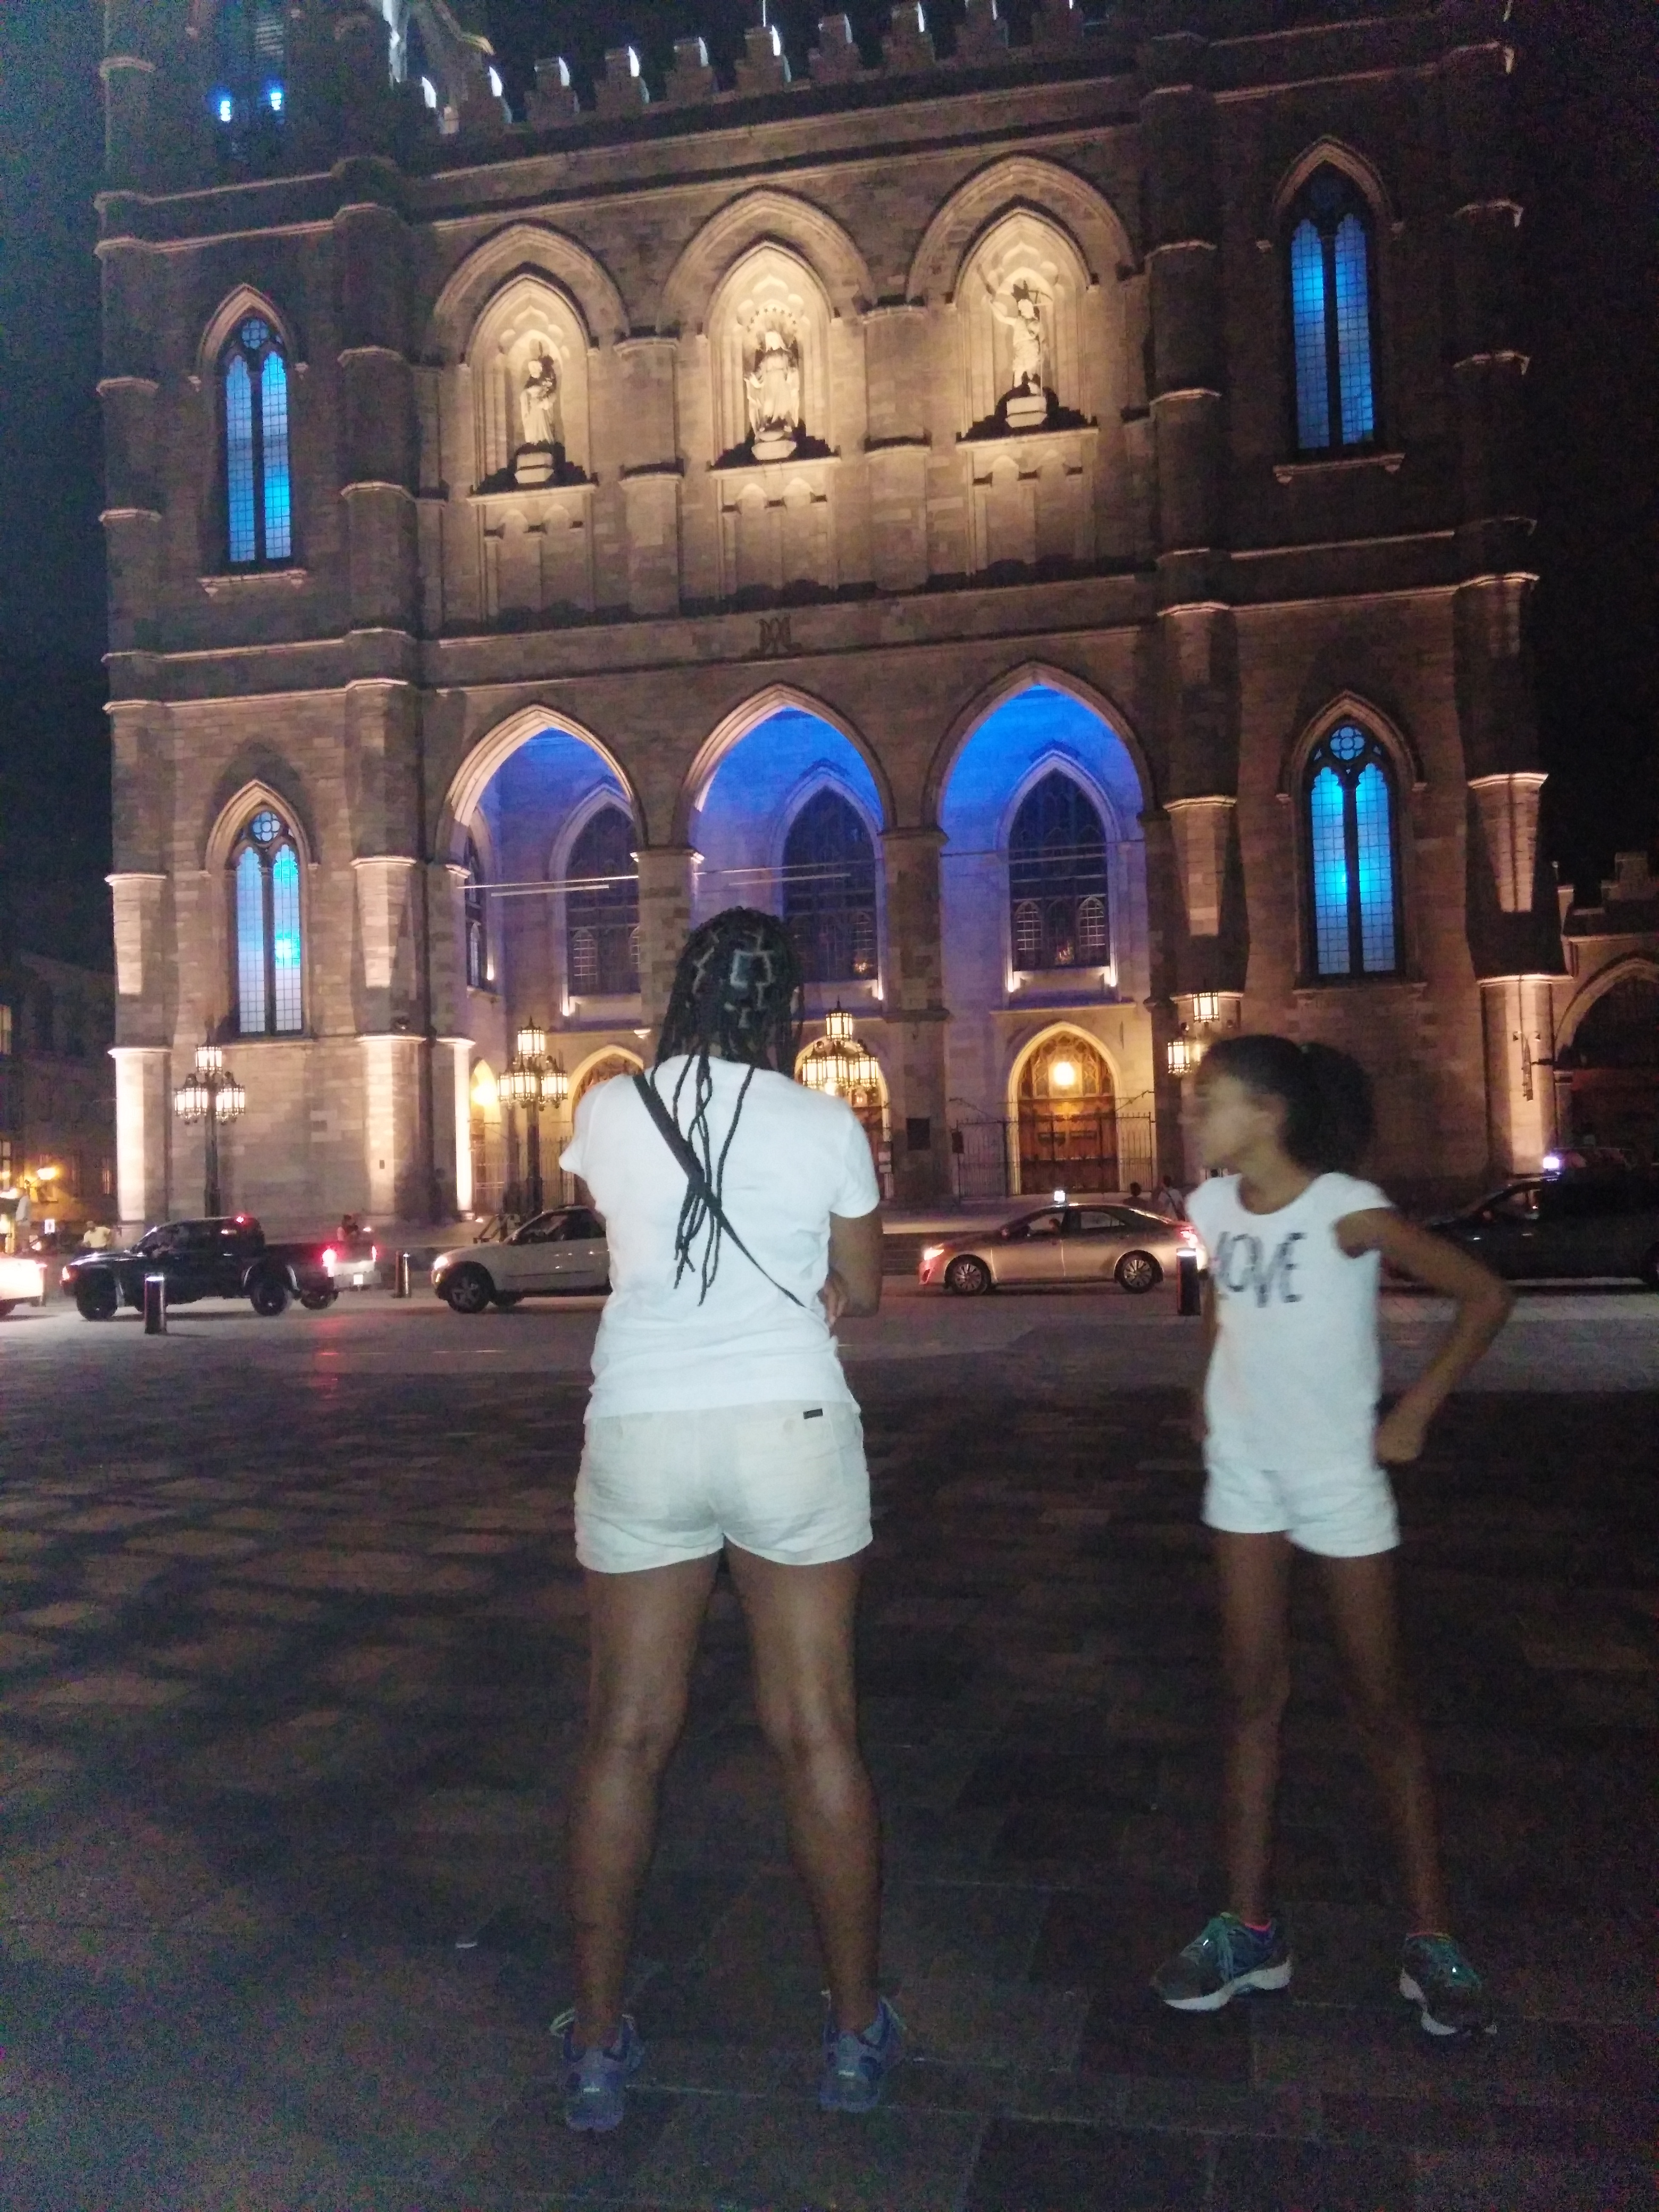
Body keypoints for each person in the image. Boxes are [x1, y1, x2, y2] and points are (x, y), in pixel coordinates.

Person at [552, 908, 899, 2132]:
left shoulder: (609, 1109)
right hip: (787, 1424)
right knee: (816, 1731)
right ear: (783, 1004)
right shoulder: (825, 1122)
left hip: (644, 1422)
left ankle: (599, 2044)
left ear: (684, 993)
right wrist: (811, 1287)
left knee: (625, 1734)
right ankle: (852, 2033)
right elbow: (864, 1288)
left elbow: (629, 1242)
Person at [1153, 1034, 1512, 2037]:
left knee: (1381, 1702)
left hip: (1337, 1481)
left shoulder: (1344, 1208)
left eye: (1209, 1098)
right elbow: (1224, 1302)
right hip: (1246, 1478)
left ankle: (1432, 1936)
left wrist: (1416, 1412)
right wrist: (1207, 1392)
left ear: (1268, 1115)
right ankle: (1248, 1929)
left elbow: (1485, 1296)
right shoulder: (1213, 1207)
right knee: (1250, 1698)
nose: (1192, 1112)